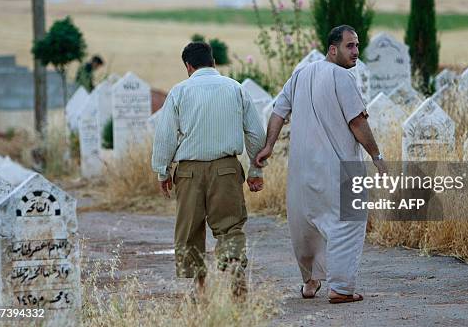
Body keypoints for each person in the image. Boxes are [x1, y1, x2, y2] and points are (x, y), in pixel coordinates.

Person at [254, 25, 387, 304]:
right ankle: (340, 288)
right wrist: (376, 156)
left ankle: (310, 281)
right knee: (347, 224)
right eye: (350, 46)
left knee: (306, 226)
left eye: (357, 45)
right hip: (339, 168)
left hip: (302, 170)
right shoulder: (342, 77)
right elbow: (357, 122)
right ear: (332, 49)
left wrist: (269, 146)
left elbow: (279, 111)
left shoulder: (301, 74)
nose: (356, 52)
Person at [152, 41, 265, 296]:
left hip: (189, 172)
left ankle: (199, 288)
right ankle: (235, 272)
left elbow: (165, 136)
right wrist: (256, 171)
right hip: (226, 169)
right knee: (230, 227)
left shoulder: (179, 91)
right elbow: (256, 134)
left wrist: (162, 171)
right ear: (213, 62)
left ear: (188, 66)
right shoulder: (235, 88)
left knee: (190, 230)